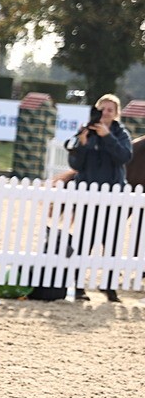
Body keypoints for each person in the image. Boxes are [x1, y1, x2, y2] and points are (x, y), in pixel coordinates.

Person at [66, 93, 133, 302]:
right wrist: (83, 144)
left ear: (116, 114)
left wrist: (108, 137)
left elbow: (124, 157)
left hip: (113, 196)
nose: (105, 113)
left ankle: (110, 287)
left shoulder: (121, 134)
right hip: (88, 196)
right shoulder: (86, 131)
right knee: (84, 241)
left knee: (111, 242)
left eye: (110, 110)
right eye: (102, 109)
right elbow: (75, 165)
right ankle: (78, 287)